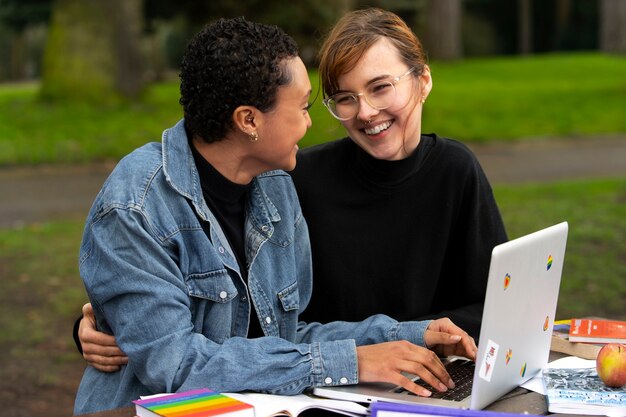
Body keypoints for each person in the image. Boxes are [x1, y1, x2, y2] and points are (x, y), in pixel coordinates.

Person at [72, 16, 477, 414]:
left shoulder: (274, 184)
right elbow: (177, 367)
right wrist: (351, 362)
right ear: (248, 120)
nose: (310, 121)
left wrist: (407, 335)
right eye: (303, 107)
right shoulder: (133, 208)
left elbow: (289, 334)